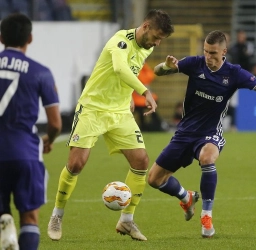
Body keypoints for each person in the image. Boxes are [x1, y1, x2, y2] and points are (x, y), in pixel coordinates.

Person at [147, 30, 256, 238]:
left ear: (224, 51)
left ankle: (206, 216)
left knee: (207, 158)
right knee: (154, 180)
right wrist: (166, 67)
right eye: (206, 52)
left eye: (214, 53)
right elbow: (158, 71)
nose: (209, 57)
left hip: (210, 132)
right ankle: (186, 197)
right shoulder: (195, 63)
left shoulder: (234, 72)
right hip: (184, 133)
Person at [47, 9, 174, 242]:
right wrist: (143, 91)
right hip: (93, 108)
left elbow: (128, 72)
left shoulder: (148, 47)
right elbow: (119, 68)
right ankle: (57, 215)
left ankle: (127, 220)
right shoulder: (120, 41)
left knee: (141, 161)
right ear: (145, 26)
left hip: (119, 112)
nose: (157, 42)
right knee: (76, 164)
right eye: (156, 36)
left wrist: (126, 97)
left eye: (160, 40)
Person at [0, 13, 62, 250]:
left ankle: (4, 221)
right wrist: (49, 139)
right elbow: (55, 123)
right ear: (30, 38)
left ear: (1, 37)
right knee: (30, 218)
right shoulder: (40, 72)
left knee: (2, 211)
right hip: (24, 152)